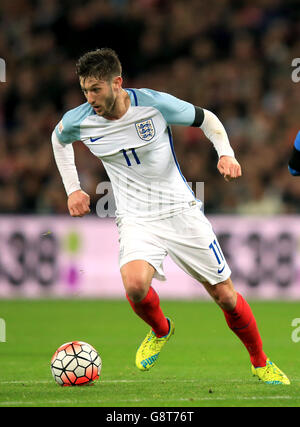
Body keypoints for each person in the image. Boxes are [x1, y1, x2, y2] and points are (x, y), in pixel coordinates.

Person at [51, 48, 290, 385]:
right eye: (85, 90)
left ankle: (260, 361)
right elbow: (58, 139)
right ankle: (161, 330)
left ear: (117, 83)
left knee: (225, 296)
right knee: (135, 286)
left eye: (96, 89)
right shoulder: (79, 119)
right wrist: (73, 189)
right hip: (136, 217)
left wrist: (226, 154)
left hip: (180, 210)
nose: (89, 98)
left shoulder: (153, 104)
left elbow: (207, 119)